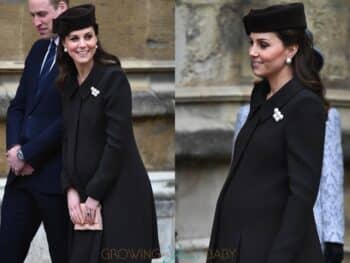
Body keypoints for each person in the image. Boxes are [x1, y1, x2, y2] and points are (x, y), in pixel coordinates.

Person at [207, 3, 328, 263]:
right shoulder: (260, 96)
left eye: (263, 45)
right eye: (251, 43)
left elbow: (302, 195)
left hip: (270, 250)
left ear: (291, 49)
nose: (252, 52)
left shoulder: (303, 105)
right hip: (235, 243)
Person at [53, 4, 161, 262]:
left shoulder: (113, 79)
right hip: (83, 203)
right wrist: (69, 189)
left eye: (88, 36)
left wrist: (93, 197)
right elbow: (67, 140)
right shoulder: (66, 84)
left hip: (121, 198)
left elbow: (116, 144)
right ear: (64, 44)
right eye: (75, 38)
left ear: (97, 38)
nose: (83, 44)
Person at [232, 42, 345, 263]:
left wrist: (334, 236)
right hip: (254, 226)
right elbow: (236, 176)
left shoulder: (325, 114)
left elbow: (331, 174)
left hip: (305, 226)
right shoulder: (246, 113)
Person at [0, 0, 69, 262]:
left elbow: (69, 120)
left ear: (61, 7)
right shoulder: (39, 49)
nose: (36, 22)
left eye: (42, 14)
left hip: (55, 181)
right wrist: (14, 149)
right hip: (20, 180)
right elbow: (18, 106)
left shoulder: (79, 53)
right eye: (32, 16)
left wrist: (28, 154)